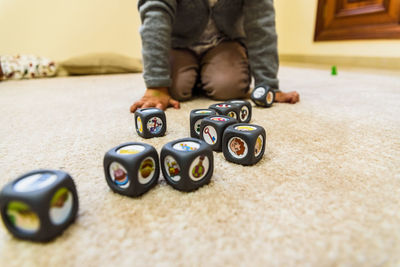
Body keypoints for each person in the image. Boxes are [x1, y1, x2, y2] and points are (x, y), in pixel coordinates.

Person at [130, 0, 300, 113]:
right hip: (180, 43)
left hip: (224, 42)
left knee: (229, 87)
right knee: (176, 89)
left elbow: (261, 24)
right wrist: (157, 85)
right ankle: (198, 76)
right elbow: (155, 14)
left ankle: (203, 75)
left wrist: (268, 85)